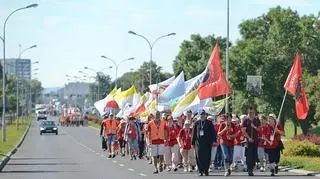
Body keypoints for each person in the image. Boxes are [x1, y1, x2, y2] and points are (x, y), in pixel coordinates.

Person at [191, 110, 216, 176]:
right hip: (198, 143)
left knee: (207, 156)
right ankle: (201, 170)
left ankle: (206, 170)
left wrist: (214, 141)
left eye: (203, 114)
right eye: (201, 114)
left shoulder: (209, 123)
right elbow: (194, 133)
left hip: (207, 143)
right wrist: (192, 143)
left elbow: (213, 132)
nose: (202, 115)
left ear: (205, 115)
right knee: (199, 156)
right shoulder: (197, 123)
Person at [241, 107, 261, 176]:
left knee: (254, 155)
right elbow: (243, 131)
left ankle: (251, 167)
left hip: (255, 141)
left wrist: (254, 127)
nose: (251, 114)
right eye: (249, 112)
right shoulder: (245, 120)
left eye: (252, 112)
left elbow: (259, 130)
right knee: (249, 155)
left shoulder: (257, 120)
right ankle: (249, 169)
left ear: (254, 112)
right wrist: (248, 138)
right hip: (248, 141)